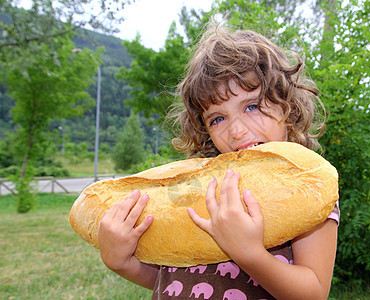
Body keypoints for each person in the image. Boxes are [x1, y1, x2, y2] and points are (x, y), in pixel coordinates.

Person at [98, 25, 339, 300]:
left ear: (287, 106)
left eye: (252, 106)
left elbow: (313, 293)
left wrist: (250, 254)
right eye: (217, 118)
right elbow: (171, 278)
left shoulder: (306, 187)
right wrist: (123, 263)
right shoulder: (203, 188)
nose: (236, 130)